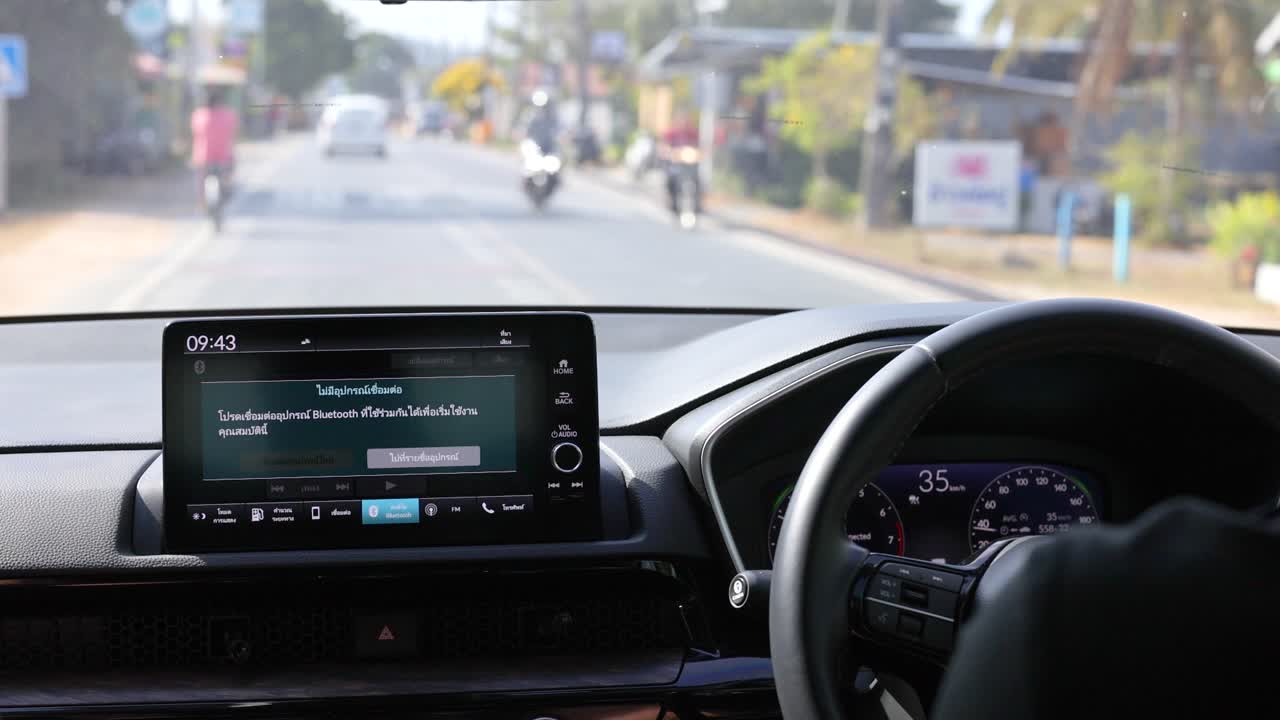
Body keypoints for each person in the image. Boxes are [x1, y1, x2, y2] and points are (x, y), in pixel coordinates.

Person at [190, 87, 239, 207]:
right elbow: (233, 131)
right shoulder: (228, 115)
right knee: (227, 175)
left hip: (203, 157)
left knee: (200, 179)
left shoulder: (199, 115)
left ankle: (202, 201)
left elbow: (195, 132)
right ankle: (226, 189)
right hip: (224, 157)